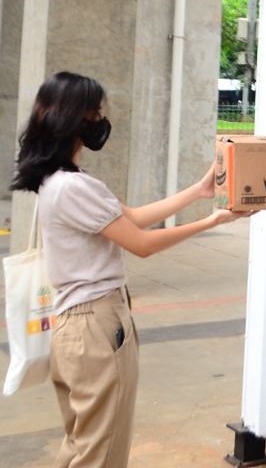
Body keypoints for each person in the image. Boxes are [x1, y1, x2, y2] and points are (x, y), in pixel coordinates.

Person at [10, 71, 248, 468]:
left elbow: (133, 218)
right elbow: (142, 244)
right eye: (95, 112)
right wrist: (213, 222)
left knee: (82, 446)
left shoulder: (60, 180)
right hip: (95, 327)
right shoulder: (74, 187)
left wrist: (197, 192)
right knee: (102, 453)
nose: (100, 120)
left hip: (77, 327)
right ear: (74, 118)